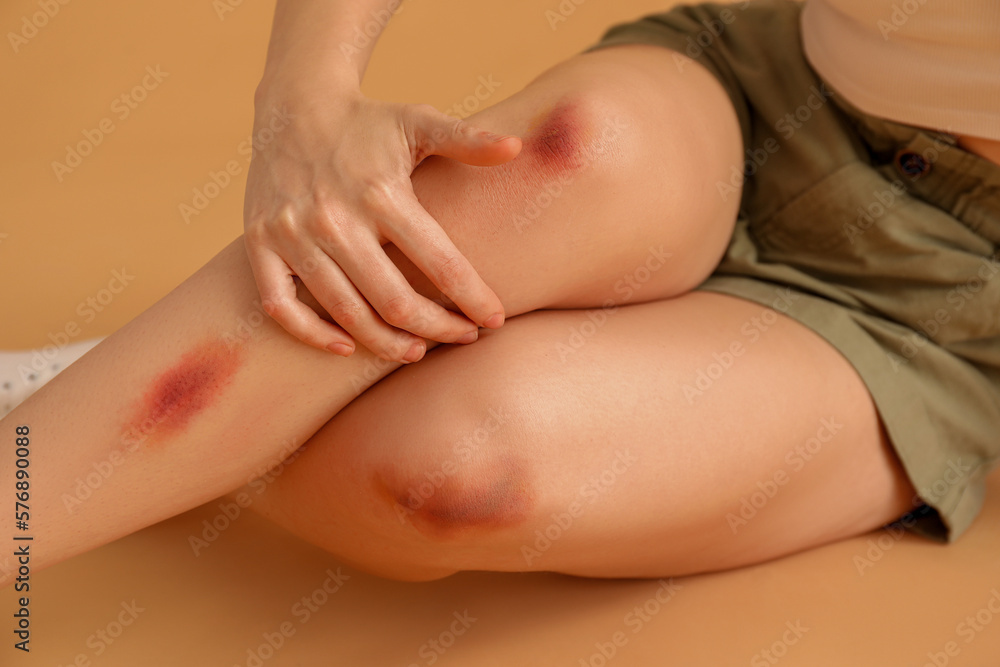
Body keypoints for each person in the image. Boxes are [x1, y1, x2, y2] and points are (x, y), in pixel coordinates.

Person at [1, 0, 997, 585]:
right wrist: (302, 102)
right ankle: (72, 457)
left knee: (455, 478)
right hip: (770, 96)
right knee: (570, 157)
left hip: (946, 311)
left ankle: (137, 395)